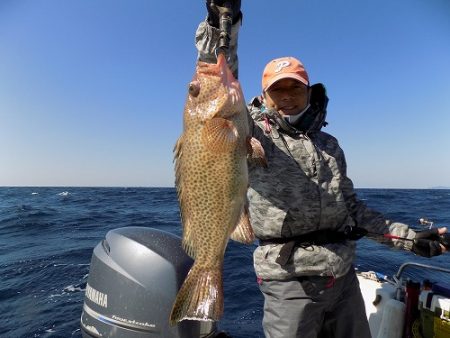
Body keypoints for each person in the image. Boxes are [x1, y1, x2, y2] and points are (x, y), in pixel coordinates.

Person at [196, 1, 448, 337]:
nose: (287, 96)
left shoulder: (330, 145)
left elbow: (353, 211)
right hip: (289, 283)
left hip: (343, 280)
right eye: (277, 90)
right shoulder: (252, 132)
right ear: (264, 96)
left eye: (294, 87)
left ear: (308, 91)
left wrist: (411, 239)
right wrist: (220, 23)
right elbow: (217, 81)